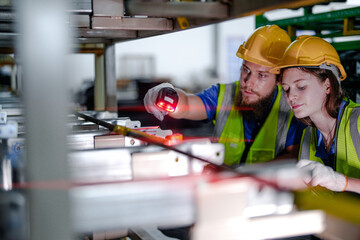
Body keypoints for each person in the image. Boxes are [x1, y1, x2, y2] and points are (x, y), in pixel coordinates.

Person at [144, 25, 306, 168]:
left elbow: (293, 158)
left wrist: (245, 174)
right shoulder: (224, 95)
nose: (248, 82)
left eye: (261, 75)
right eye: (246, 70)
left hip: (269, 196)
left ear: (279, 79)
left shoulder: (291, 108)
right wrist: (167, 93)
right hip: (223, 191)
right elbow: (186, 104)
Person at [270, 35, 360, 194]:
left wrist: (342, 182)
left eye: (301, 87)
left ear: (328, 85)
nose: (291, 97)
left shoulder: (357, 121)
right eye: (286, 89)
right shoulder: (308, 136)